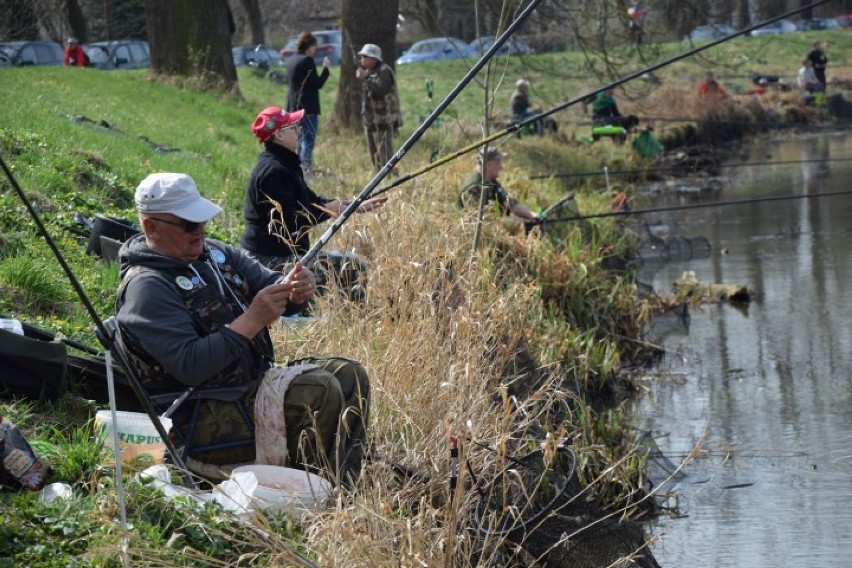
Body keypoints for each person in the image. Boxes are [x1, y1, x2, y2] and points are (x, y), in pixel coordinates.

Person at [115, 172, 371, 483]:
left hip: (246, 390)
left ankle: (343, 484)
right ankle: (312, 491)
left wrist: (296, 290)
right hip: (199, 417)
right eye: (188, 225)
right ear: (150, 226)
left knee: (349, 374)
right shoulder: (147, 288)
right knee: (318, 389)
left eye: (202, 220)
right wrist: (253, 319)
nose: (200, 231)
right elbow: (191, 366)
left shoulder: (215, 254)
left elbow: (270, 285)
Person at [240, 106, 386, 296]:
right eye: (294, 127)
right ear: (279, 135)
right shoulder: (274, 171)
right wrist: (327, 210)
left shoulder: (285, 164)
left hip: (287, 255)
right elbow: (290, 221)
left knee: (355, 264)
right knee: (354, 269)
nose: (299, 131)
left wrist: (354, 205)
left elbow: (313, 202)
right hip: (268, 260)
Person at [286, 31, 331, 176]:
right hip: (308, 108)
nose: (315, 49)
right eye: (314, 46)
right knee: (307, 142)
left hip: (293, 107)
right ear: (309, 46)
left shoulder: (291, 60)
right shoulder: (307, 60)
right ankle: (306, 171)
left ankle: (295, 170)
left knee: (296, 142)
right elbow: (317, 83)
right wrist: (326, 69)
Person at [458, 149, 540, 228]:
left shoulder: (491, 181)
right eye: (498, 163)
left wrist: (530, 215)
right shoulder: (473, 188)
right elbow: (485, 221)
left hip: (496, 228)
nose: (501, 167)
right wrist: (517, 221)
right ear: (488, 164)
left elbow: (509, 202)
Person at [355, 43, 402, 173]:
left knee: (386, 154)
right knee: (374, 154)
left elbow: (380, 91)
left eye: (365, 56)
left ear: (373, 58)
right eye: (361, 56)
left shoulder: (384, 71)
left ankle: (392, 179)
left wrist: (365, 79)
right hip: (370, 120)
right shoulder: (369, 72)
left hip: (383, 120)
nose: (362, 59)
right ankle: (378, 180)